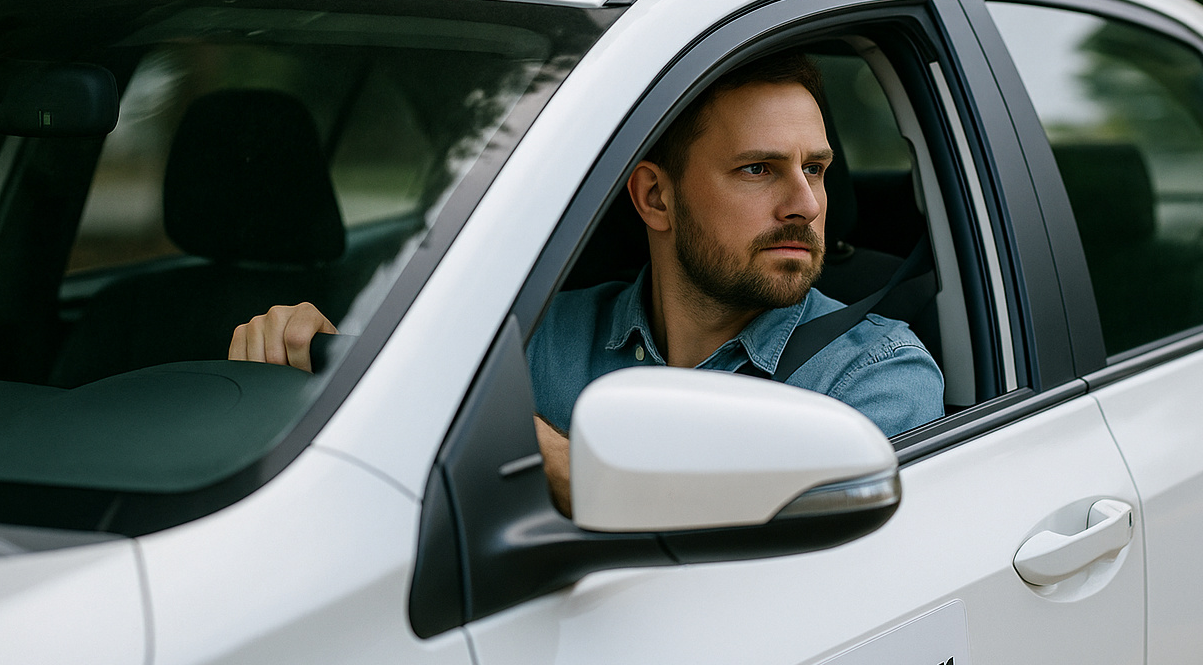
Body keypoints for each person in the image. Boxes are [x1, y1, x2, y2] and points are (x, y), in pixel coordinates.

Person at [231, 52, 945, 513]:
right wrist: (317, 353)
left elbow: (789, 588)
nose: (807, 204)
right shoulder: (540, 334)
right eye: (759, 169)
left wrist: (524, 446)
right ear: (655, 198)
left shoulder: (876, 375)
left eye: (814, 168)